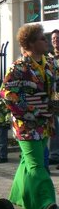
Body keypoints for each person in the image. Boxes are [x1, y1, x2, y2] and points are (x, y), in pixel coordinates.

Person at [1, 23, 57, 209]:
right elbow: (7, 94)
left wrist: (53, 105)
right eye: (42, 38)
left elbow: (55, 90)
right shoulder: (18, 67)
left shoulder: (50, 63)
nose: (47, 41)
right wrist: (32, 110)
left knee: (27, 161)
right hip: (26, 125)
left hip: (46, 123)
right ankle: (45, 202)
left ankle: (17, 195)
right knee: (36, 164)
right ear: (31, 43)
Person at [48, 29, 59, 166]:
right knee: (54, 125)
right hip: (54, 96)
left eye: (57, 38)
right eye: (53, 39)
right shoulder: (49, 58)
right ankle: (55, 154)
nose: (55, 40)